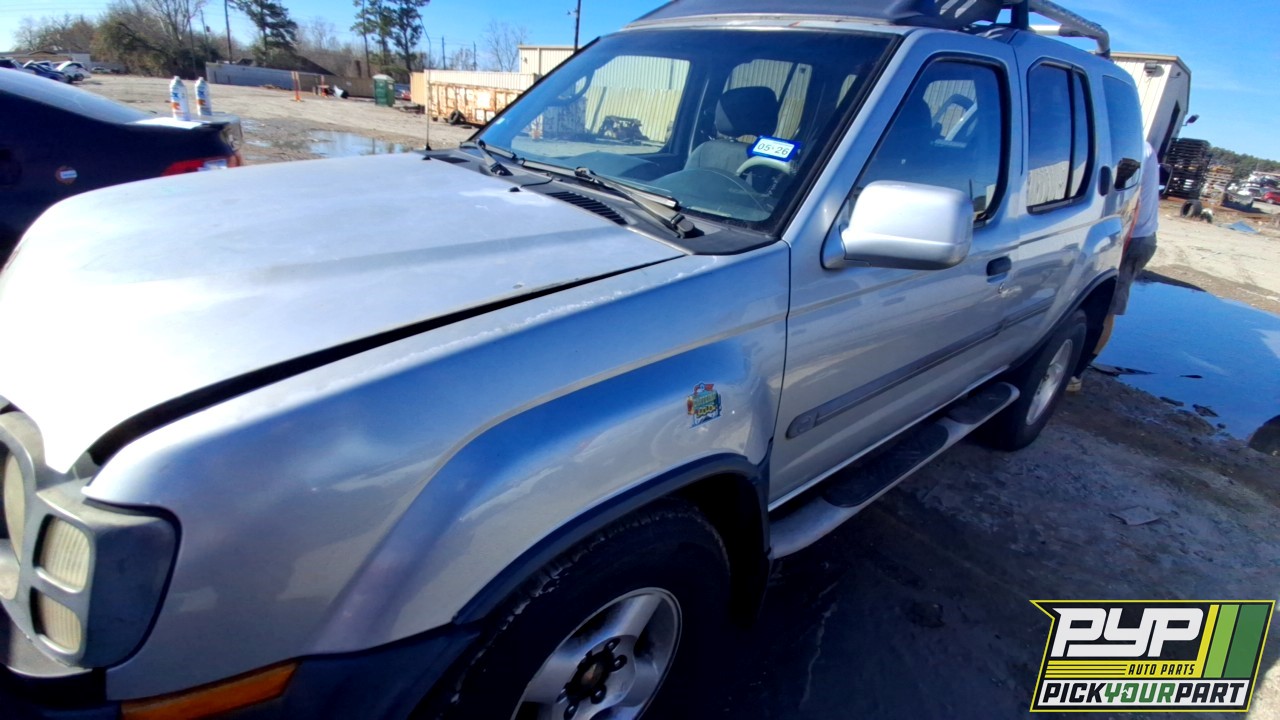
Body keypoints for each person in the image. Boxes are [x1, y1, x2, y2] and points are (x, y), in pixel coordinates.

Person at [1067, 140, 1159, 392]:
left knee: (1105, 306)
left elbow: (1132, 202)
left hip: (1133, 237)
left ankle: (1075, 373)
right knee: (1090, 301)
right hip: (1123, 231)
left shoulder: (1137, 148)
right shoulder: (1132, 144)